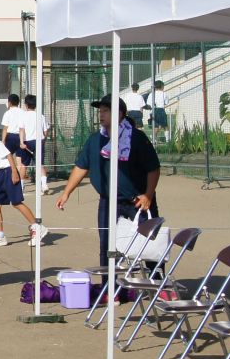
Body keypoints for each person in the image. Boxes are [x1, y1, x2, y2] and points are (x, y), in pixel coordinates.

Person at [57, 95, 161, 269]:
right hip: (108, 201)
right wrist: (66, 193)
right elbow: (81, 167)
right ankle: (107, 284)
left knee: (150, 243)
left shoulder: (137, 138)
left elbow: (153, 168)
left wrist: (148, 195)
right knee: (107, 246)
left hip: (138, 201)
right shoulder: (95, 140)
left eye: (106, 111)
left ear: (119, 114)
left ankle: (157, 280)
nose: (101, 114)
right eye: (100, 111)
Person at [21, 94, 50, 192]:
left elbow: (21, 130)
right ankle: (44, 185)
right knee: (40, 164)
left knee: (24, 164)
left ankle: (21, 187)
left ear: (26, 104)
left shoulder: (23, 116)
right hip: (39, 142)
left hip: (27, 142)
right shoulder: (41, 116)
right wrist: (44, 140)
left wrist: (21, 142)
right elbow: (46, 131)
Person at [0, 93, 27, 182]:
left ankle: (8, 177)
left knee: (7, 158)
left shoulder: (8, 113)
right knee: (20, 160)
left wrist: (3, 140)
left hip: (10, 137)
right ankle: (20, 182)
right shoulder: (23, 112)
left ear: (9, 102)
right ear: (18, 102)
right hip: (21, 137)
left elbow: (5, 128)